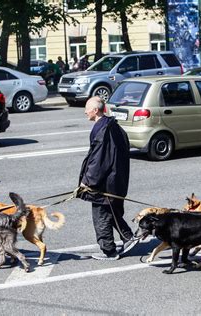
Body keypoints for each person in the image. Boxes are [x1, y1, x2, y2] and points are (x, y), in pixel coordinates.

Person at [78, 96, 139, 260]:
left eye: (87, 109)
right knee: (111, 210)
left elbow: (99, 160)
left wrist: (87, 181)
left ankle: (109, 251)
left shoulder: (103, 130)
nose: (85, 112)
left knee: (101, 215)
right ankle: (128, 237)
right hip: (115, 180)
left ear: (95, 110)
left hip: (104, 184)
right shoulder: (113, 127)